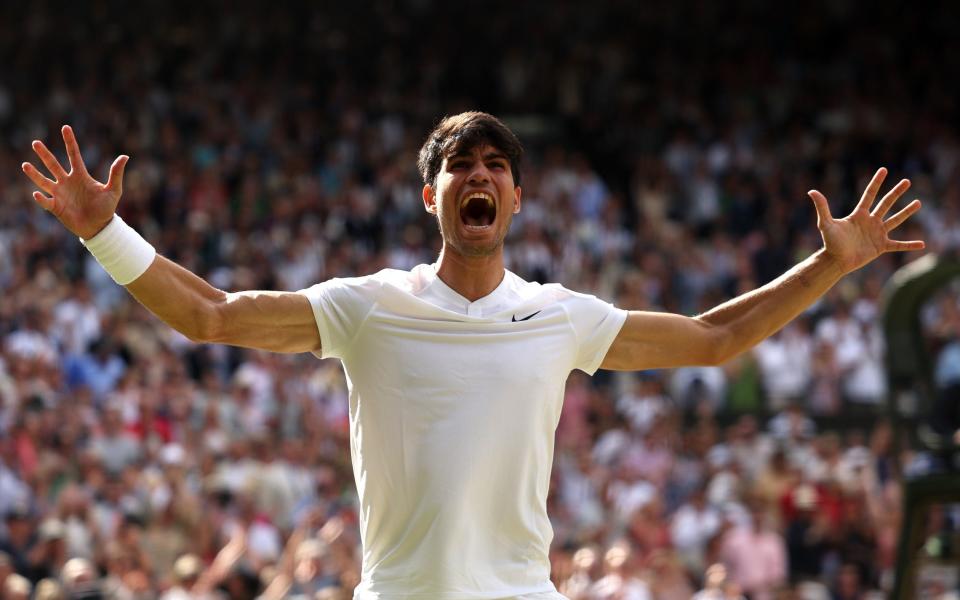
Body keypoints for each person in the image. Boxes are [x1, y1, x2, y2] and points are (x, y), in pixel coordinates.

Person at [21, 112, 924, 599]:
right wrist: (105, 231)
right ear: (432, 194)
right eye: (462, 164)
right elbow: (211, 316)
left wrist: (831, 263)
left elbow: (718, 338)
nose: (480, 175)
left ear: (519, 198)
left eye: (496, 164)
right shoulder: (368, 306)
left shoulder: (560, 314)